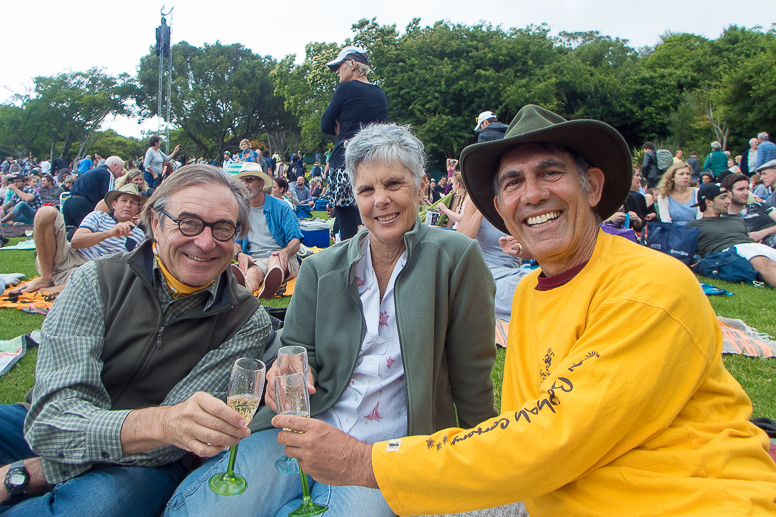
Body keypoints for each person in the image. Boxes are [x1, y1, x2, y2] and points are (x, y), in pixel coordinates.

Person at [270, 105, 776, 516]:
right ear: (501, 206)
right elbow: (518, 424)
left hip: (684, 500)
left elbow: (548, 439)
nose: (532, 194)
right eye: (513, 183)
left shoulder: (648, 285)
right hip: (551, 493)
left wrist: (368, 462)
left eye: (550, 173)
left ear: (593, 187)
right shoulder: (534, 292)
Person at [166, 123, 498, 517]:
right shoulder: (321, 267)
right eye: (367, 190)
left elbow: (472, 373)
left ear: (422, 185)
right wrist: (286, 367)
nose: (381, 201)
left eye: (394, 184)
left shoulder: (456, 258)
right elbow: (295, 347)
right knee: (204, 511)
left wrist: (484, 459)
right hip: (303, 429)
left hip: (386, 452)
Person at [0, 164, 272, 516]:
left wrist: (27, 474)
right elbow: (52, 419)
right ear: (155, 223)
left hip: (148, 462)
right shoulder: (95, 280)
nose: (205, 242)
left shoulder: (247, 321)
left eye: (223, 229)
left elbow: (178, 435)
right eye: (188, 222)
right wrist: (159, 423)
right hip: (44, 427)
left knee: (98, 507)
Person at [10, 184, 147, 295]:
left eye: (133, 203)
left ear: (137, 210)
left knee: (109, 277)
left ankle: (53, 289)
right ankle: (46, 279)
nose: (128, 205)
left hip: (92, 272)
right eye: (124, 200)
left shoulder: (139, 235)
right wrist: (110, 233)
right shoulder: (98, 216)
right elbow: (77, 242)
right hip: (67, 256)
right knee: (46, 212)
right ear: (114, 204)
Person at [321, 45, 389, 240]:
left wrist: (340, 125)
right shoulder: (379, 93)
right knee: (372, 220)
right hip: (373, 163)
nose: (337, 71)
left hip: (345, 162)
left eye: (339, 66)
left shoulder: (346, 88)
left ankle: (349, 267)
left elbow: (325, 124)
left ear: (352, 65)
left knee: (348, 229)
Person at [233, 163, 303, 298]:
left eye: (249, 180)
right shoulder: (239, 210)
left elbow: (295, 240)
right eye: (241, 181)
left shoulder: (282, 207)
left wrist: (285, 252)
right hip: (255, 259)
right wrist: (239, 255)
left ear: (260, 184)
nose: (244, 184)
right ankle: (244, 288)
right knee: (252, 274)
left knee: (274, 261)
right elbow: (233, 241)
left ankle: (271, 283)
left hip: (282, 257)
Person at [688, 183, 776, 287]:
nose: (729, 201)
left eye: (728, 197)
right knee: (762, 262)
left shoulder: (737, 220)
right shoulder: (693, 225)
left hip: (754, 247)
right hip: (728, 252)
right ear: (709, 202)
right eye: (723, 197)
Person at [63, 155, 125, 227]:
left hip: (68, 202)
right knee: (88, 232)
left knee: (71, 233)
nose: (121, 173)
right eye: (121, 169)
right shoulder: (107, 173)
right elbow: (108, 198)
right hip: (83, 205)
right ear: (114, 165)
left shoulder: (92, 172)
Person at [722, 173, 776, 248]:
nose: (747, 193)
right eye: (741, 189)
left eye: (747, 189)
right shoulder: (723, 220)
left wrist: (762, 233)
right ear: (728, 193)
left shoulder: (760, 206)